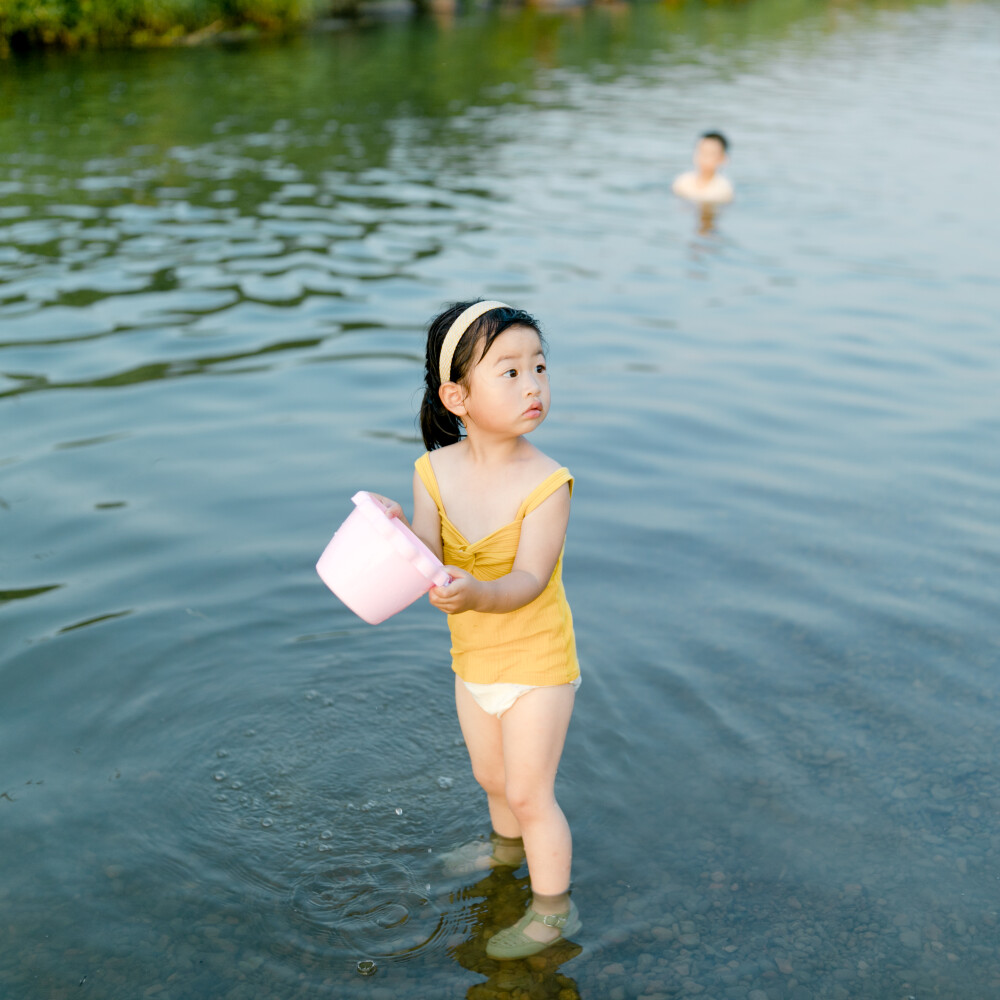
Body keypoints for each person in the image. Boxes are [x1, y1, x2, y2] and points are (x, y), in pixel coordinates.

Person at [371, 299, 581, 960]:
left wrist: (476, 593)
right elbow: (428, 560)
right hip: (475, 659)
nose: (534, 386)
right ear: (456, 396)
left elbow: (530, 579)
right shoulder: (432, 472)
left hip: (539, 660)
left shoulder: (548, 484)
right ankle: (501, 851)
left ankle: (553, 911)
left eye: (539, 367)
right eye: (510, 372)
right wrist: (391, 526)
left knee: (528, 789)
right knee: (493, 781)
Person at [672, 131, 734, 204]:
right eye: (701, 151)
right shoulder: (682, 181)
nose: (704, 158)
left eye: (710, 153)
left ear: (723, 158)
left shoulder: (724, 190)